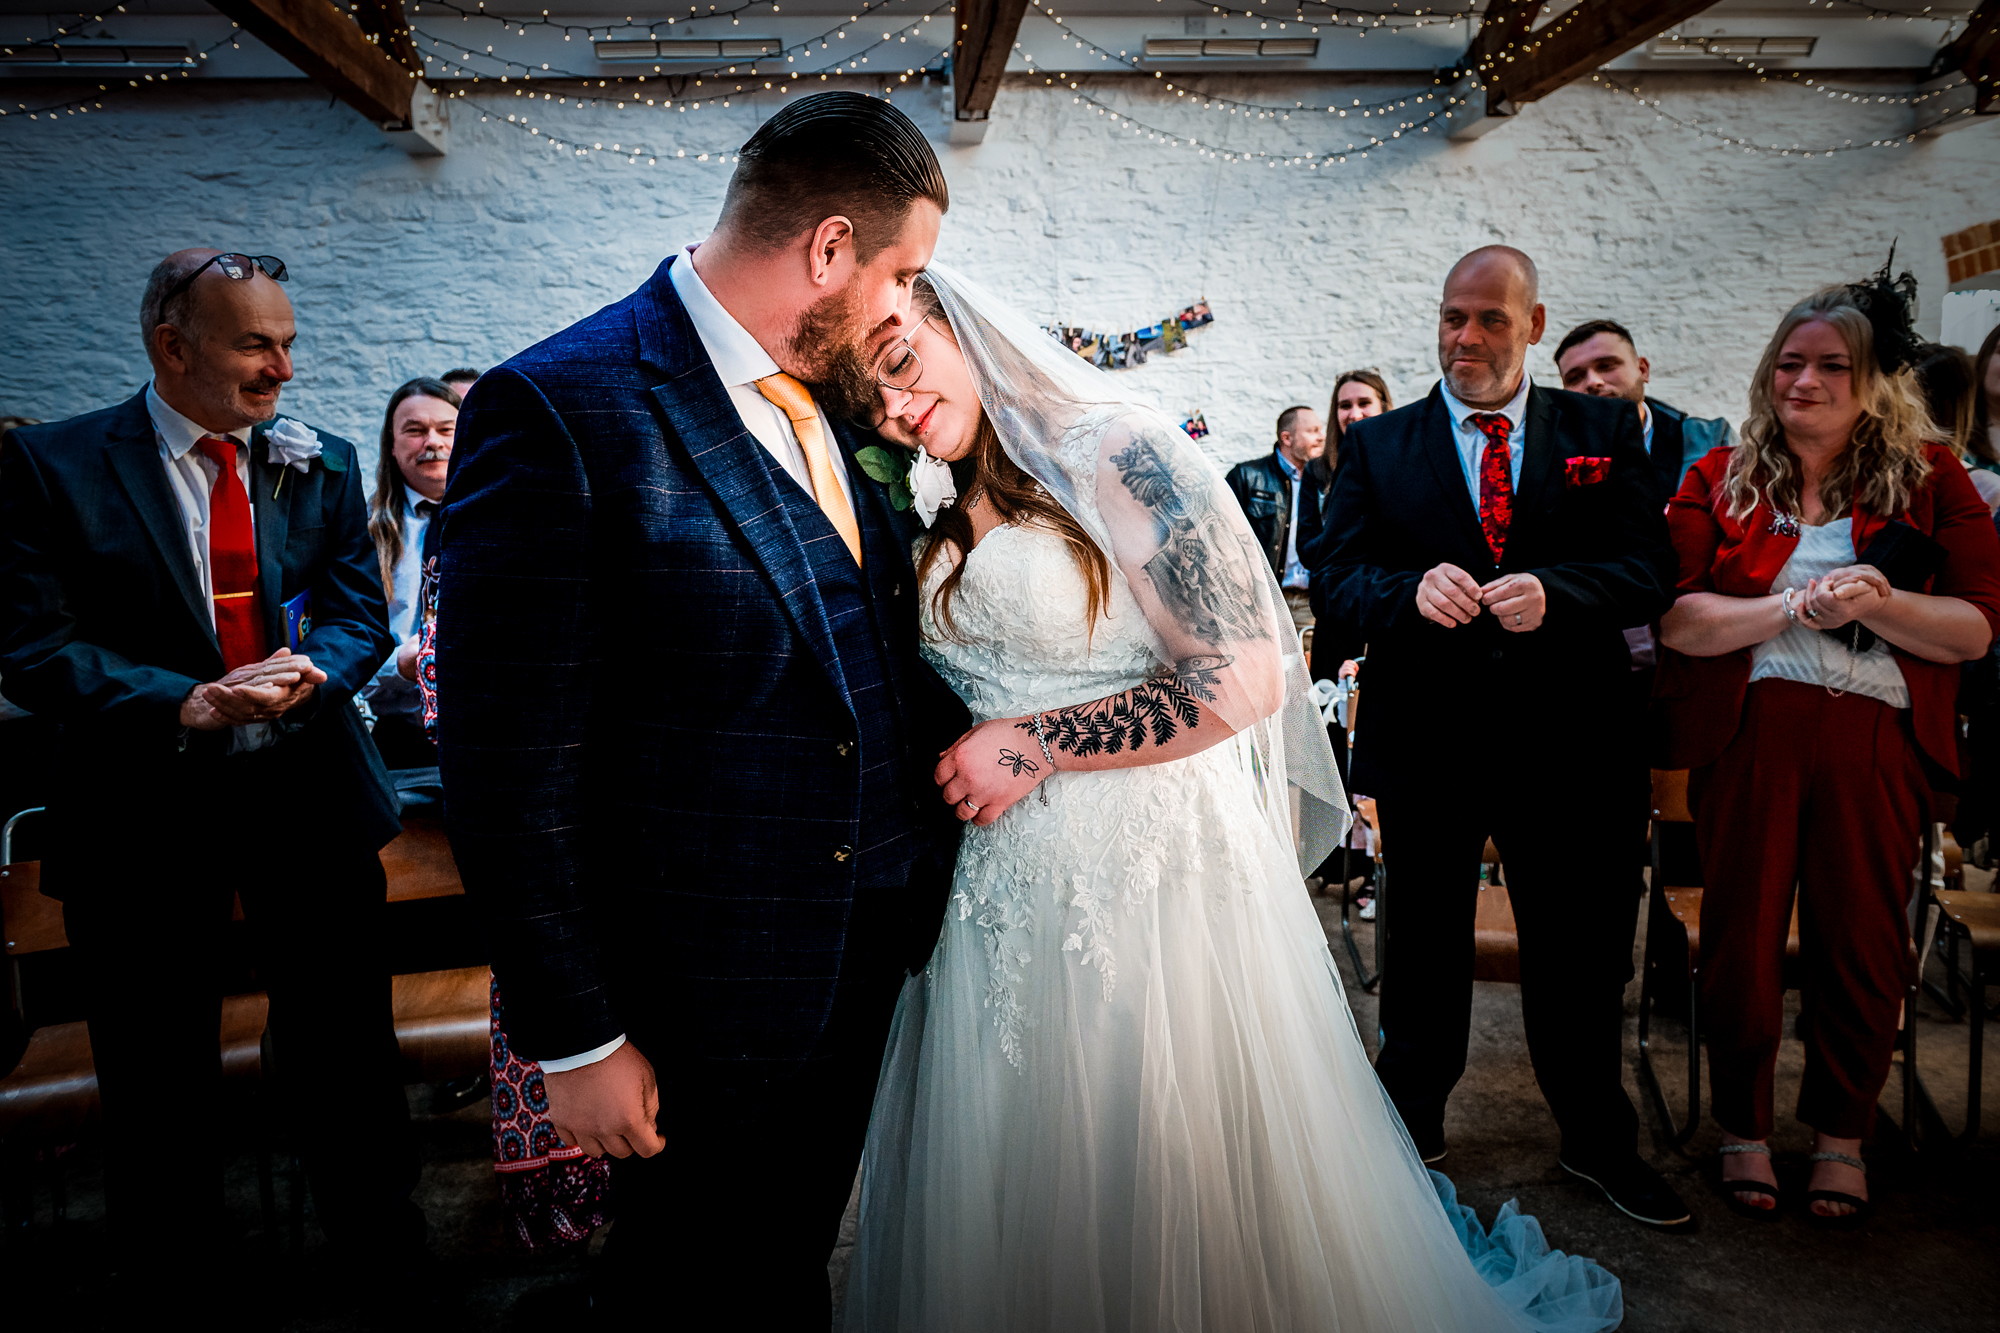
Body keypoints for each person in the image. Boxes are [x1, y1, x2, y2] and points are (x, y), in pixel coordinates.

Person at [842, 264, 1621, 1332]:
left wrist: (1035, 742)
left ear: (962, 329)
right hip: (1000, 887)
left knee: (1159, 1147)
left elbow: (1245, 674)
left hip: (1142, 870)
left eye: (899, 364)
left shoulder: (1117, 450)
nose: (890, 406)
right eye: (866, 394)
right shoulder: (931, 484)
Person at [435, 93, 969, 1323]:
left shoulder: (833, 394)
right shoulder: (561, 408)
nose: (904, 312)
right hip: (697, 994)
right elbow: (506, 767)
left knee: (785, 1265)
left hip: (868, 950)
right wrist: (571, 1037)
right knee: (691, 1285)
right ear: (830, 249)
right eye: (902, 274)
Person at [0, 249, 422, 1295]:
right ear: (172, 347)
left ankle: (387, 1266)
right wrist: (176, 700)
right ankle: (179, 1280)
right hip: (141, 812)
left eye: (287, 342)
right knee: (156, 1077)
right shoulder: (53, 467)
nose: (283, 368)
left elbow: (356, 607)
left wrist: (320, 666)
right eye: (254, 344)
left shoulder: (314, 457)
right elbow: (33, 645)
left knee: (348, 1058)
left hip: (307, 795)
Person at [1315, 245, 1689, 1228]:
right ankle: (1408, 1129)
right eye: (1450, 317)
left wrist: (1556, 591)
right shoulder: (1380, 445)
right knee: (1425, 949)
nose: (1464, 338)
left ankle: (1596, 1141)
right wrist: (1404, 590)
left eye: (1487, 319)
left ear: (1530, 324)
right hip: (1429, 740)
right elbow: (1336, 583)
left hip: (1570, 745)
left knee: (1576, 951)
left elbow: (1648, 569)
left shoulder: (1602, 429)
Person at [1655, 266, 2000, 1226]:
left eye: (1832, 366)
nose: (1803, 382)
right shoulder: (1717, 477)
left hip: (1876, 737)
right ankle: (1744, 1127)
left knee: (1862, 941)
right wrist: (1788, 606)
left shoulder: (1935, 480)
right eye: (1789, 364)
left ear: (1875, 379)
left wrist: (1882, 602)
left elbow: (1973, 630)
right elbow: (1680, 622)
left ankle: (1843, 1134)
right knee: (1742, 938)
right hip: (1754, 731)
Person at [363, 376, 458, 770]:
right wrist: (400, 665)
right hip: (389, 735)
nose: (432, 442)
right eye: (415, 431)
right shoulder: (361, 531)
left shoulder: (503, 527)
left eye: (446, 430)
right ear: (392, 444)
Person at [1554, 317, 1734, 499]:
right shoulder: (1555, 457)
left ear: (1642, 370)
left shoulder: (1712, 441)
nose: (1593, 382)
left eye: (1606, 366)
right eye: (1575, 378)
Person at [1297, 369, 1391, 683]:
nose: (1354, 413)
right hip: (1337, 611)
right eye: (1344, 405)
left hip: (1388, 607)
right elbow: (1308, 549)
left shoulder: (1403, 463)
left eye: (1364, 402)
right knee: (1334, 718)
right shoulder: (1319, 470)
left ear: (1383, 407)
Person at [1224, 404, 1325, 630]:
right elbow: (1221, 540)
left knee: (1309, 666)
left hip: (1312, 603)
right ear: (1287, 438)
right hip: (1263, 603)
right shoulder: (1247, 477)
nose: (1322, 437)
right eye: (1313, 431)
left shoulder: (1327, 481)